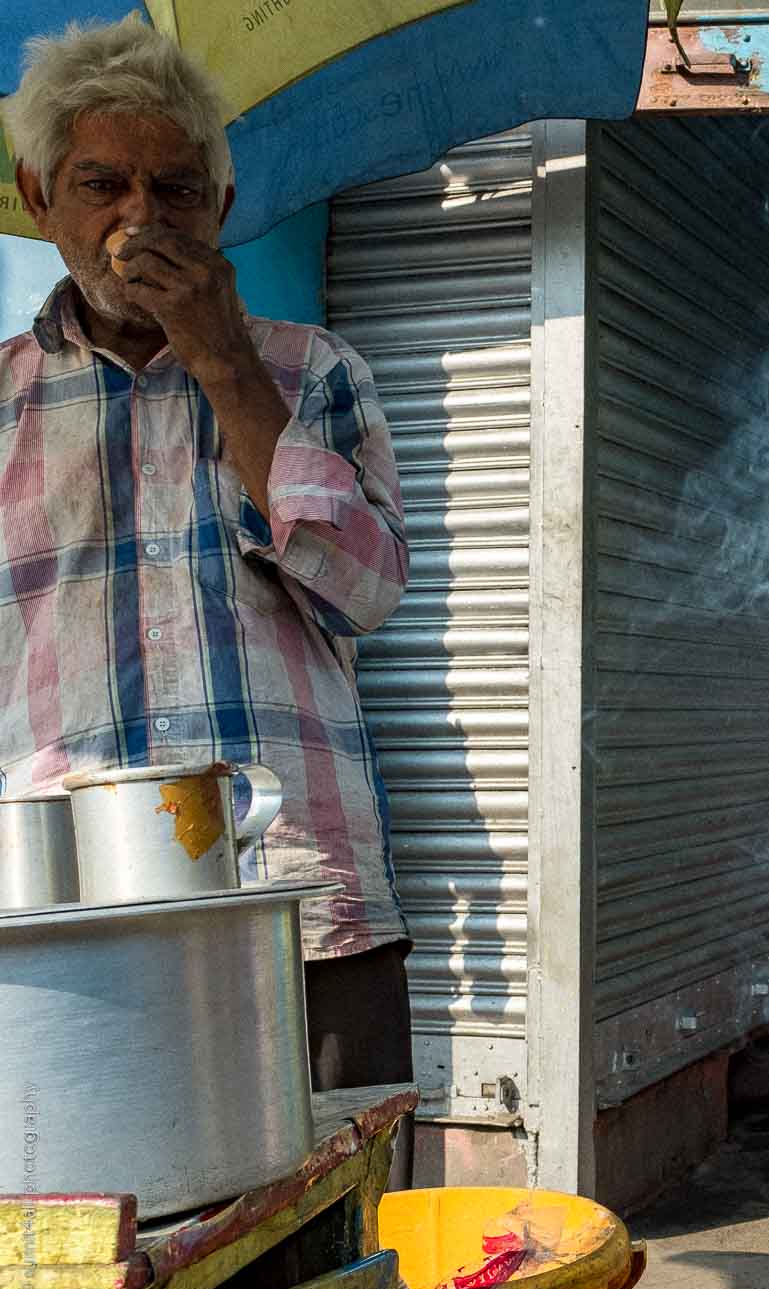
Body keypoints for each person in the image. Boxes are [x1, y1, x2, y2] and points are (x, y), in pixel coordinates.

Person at [1, 19, 413, 1098]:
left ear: (221, 210)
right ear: (38, 194)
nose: (141, 220)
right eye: (103, 184)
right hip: (63, 926)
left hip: (301, 906)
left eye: (177, 191)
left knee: (340, 1235)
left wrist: (224, 360)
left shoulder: (312, 371)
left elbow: (364, 592)